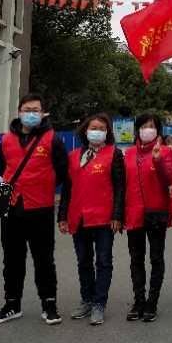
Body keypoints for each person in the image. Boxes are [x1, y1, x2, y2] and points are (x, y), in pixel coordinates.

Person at [0, 93, 68, 326]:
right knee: (11, 258)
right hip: (10, 204)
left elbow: (61, 171)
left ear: (43, 113)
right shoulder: (6, 139)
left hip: (40, 207)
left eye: (36, 110)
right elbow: (3, 167)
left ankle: (49, 304)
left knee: (44, 259)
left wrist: (41, 185)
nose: (31, 114)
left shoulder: (52, 139)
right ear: (19, 112)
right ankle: (12, 304)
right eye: (27, 109)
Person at [58, 113, 125, 326]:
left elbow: (120, 187)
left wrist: (117, 215)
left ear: (108, 133)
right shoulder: (73, 155)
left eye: (102, 129)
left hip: (104, 219)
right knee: (83, 261)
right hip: (78, 217)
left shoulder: (114, 154)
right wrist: (62, 216)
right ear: (85, 131)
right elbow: (67, 189)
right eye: (93, 128)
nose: (97, 131)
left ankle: (99, 303)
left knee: (103, 262)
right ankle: (87, 299)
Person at [124, 113, 172, 323]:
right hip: (133, 213)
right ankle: (139, 301)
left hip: (157, 213)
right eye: (143, 126)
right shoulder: (128, 154)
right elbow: (122, 185)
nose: (147, 129)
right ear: (137, 129)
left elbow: (169, 179)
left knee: (156, 258)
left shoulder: (165, 151)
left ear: (158, 130)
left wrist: (158, 160)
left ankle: (152, 302)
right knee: (136, 259)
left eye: (151, 126)